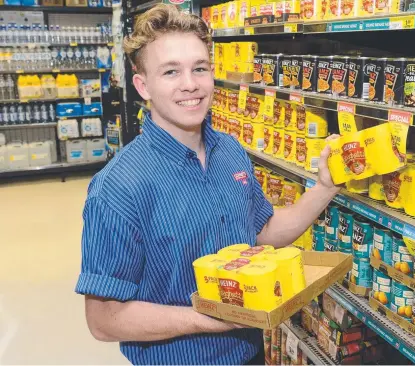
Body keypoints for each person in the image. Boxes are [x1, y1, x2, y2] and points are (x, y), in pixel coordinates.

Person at [75, 4, 340, 365]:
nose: (190, 84)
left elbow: (262, 234)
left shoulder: (229, 151)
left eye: (199, 68)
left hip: (250, 353)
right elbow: (103, 320)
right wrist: (206, 319)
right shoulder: (118, 188)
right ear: (143, 85)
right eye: (171, 72)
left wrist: (325, 187)